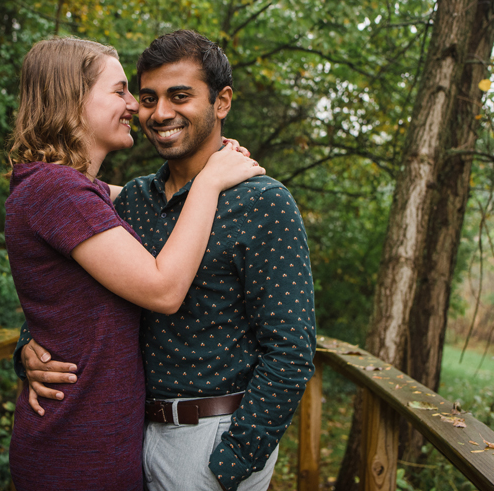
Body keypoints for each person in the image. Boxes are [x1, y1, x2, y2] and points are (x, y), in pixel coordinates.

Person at [16, 30, 316, 491]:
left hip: (209, 443)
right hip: (131, 436)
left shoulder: (263, 203)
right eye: (147, 97)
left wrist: (236, 458)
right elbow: (62, 277)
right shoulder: (135, 200)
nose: (157, 113)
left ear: (222, 102)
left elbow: (292, 349)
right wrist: (28, 346)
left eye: (179, 96)